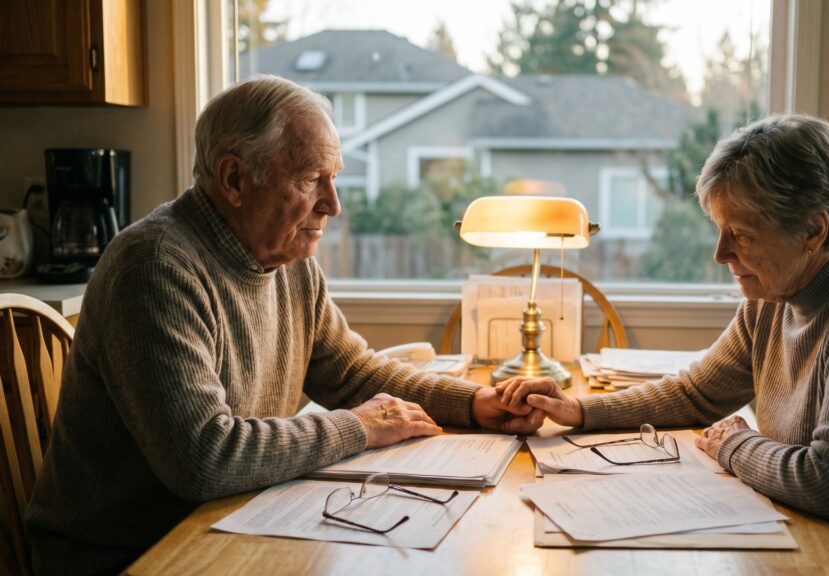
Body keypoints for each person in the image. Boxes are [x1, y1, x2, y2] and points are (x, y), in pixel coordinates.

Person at [24, 75, 544, 575]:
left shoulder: (289, 262)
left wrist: (474, 403)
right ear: (233, 179)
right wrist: (359, 426)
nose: (333, 205)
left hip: (228, 523)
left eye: (334, 178)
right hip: (127, 556)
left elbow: (355, 376)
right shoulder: (155, 267)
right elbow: (207, 458)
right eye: (310, 179)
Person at [498, 115, 829, 574]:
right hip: (828, 547)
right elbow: (696, 393)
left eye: (740, 233)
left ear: (812, 228)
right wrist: (579, 411)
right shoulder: (776, 294)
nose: (721, 253)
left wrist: (735, 444)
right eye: (720, 231)